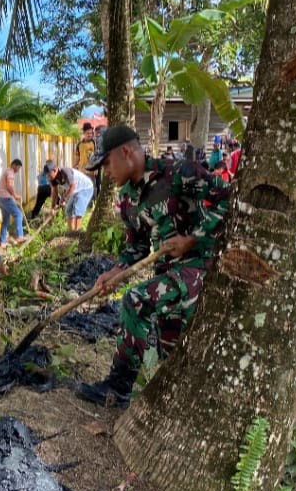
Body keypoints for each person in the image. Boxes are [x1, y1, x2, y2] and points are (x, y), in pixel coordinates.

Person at [77, 124, 230, 408]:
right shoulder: (127, 199)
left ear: (126, 152)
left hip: (199, 265)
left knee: (135, 300)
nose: (105, 173)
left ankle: (118, 388)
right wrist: (113, 273)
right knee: (167, 349)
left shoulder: (179, 173)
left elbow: (227, 197)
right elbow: (136, 249)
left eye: (107, 163)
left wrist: (192, 240)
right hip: (168, 274)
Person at [49, 163, 94, 231]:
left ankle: (76, 232)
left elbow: (73, 187)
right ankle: (71, 232)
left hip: (85, 187)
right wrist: (53, 208)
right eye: (46, 174)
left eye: (49, 174)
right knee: (69, 210)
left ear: (54, 170)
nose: (48, 176)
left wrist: (63, 199)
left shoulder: (65, 171)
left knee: (77, 209)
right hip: (76, 190)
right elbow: (55, 193)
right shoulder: (52, 178)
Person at [0, 158, 26, 247]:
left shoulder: (7, 171)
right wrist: (15, 195)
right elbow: (9, 186)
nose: (18, 170)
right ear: (14, 165)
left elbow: (7, 186)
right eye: (18, 167)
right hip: (6, 199)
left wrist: (14, 194)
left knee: (6, 220)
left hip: (0, 198)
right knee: (18, 215)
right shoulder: (10, 172)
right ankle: (19, 236)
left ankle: (2, 242)